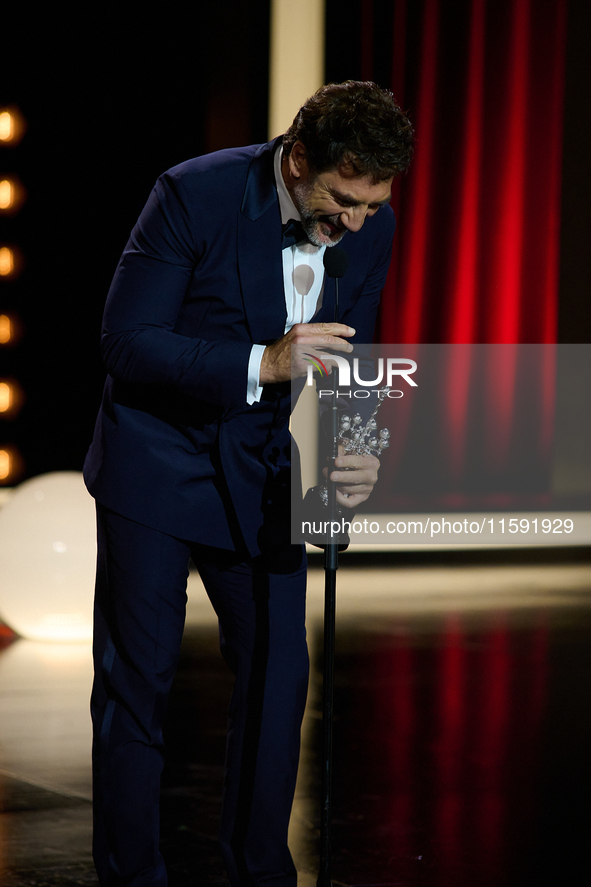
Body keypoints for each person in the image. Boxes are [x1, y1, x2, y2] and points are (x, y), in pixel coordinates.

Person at [84, 80, 413, 887]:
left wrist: (354, 452)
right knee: (139, 687)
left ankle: (262, 873)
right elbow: (125, 342)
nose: (356, 224)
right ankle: (133, 876)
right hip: (158, 466)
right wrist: (262, 362)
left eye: (373, 205)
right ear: (299, 159)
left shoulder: (370, 228)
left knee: (276, 679)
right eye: (342, 200)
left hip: (269, 477)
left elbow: (350, 359)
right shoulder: (194, 193)